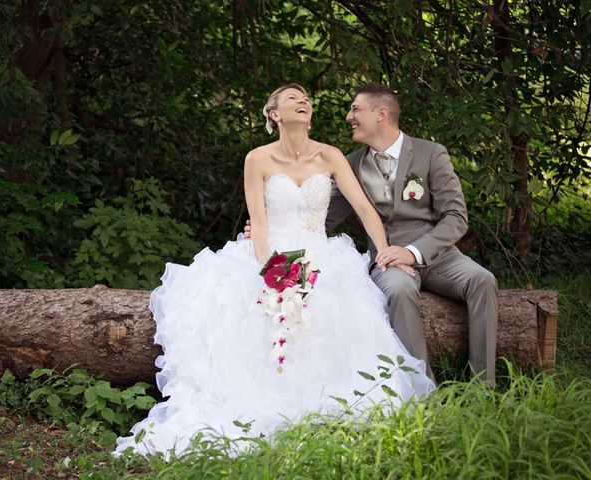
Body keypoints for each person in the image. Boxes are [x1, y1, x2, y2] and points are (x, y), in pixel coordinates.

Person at [114, 84, 435, 457]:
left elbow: (365, 210)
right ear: (274, 114)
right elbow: (260, 224)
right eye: (292, 99)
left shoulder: (331, 156)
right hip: (273, 254)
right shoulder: (257, 159)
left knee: (340, 307)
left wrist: (384, 253)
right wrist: (273, 270)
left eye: (306, 100)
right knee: (255, 313)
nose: (303, 102)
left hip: (323, 252)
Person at [329, 84, 499, 386]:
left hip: (438, 255)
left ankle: (482, 386)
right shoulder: (351, 164)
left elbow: (456, 217)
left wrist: (414, 252)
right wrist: (274, 225)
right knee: (399, 291)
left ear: (381, 114)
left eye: (356, 109)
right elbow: (322, 218)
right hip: (387, 260)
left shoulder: (430, 153)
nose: (348, 116)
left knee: (482, 280)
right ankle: (424, 391)